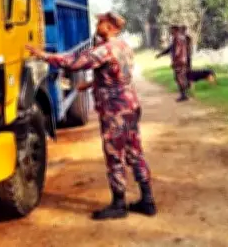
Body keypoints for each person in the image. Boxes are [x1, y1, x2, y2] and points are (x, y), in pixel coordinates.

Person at [26, 12, 156, 220]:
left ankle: (119, 204)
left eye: (101, 22)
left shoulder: (104, 50)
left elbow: (73, 62)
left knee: (114, 155)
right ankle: (147, 201)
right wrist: (90, 84)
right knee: (135, 151)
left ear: (111, 27)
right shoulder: (124, 47)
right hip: (130, 106)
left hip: (115, 111)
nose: (97, 24)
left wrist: (43, 55)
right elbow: (116, 76)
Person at [156, 24, 191, 102]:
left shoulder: (177, 38)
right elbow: (170, 49)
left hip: (179, 61)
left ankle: (184, 95)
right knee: (179, 77)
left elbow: (177, 51)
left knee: (179, 77)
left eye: (171, 30)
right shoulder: (182, 38)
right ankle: (184, 93)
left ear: (175, 30)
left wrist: (175, 61)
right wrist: (161, 54)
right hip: (183, 60)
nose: (170, 32)